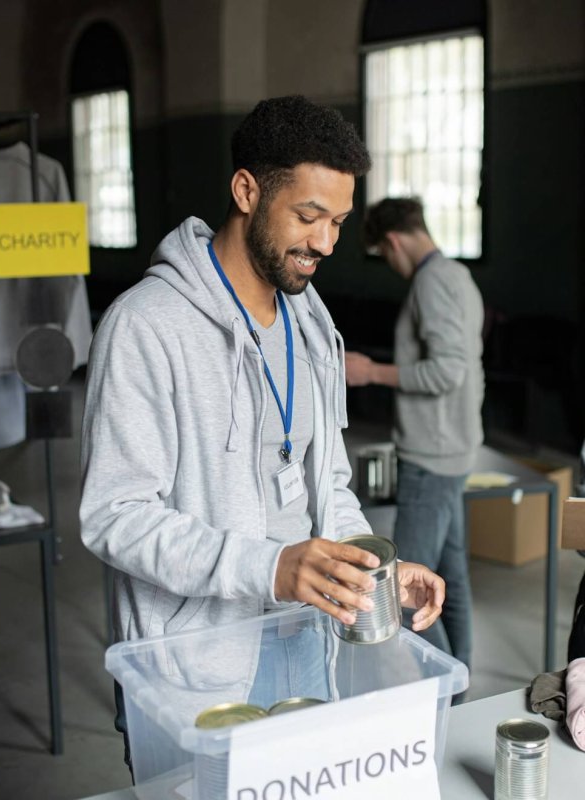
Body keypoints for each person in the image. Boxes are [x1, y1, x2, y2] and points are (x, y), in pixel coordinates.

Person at [80, 98, 446, 766]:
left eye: (337, 222)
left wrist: (373, 571)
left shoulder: (311, 326)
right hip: (195, 664)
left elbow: (327, 483)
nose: (327, 244)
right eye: (308, 217)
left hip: (308, 639)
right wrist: (270, 567)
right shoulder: (145, 327)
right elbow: (115, 515)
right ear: (247, 190)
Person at [345, 197, 484, 669]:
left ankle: (442, 686)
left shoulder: (430, 283)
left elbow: (449, 372)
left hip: (432, 456)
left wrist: (370, 372)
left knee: (407, 591)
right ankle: (460, 686)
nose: (392, 265)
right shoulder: (459, 276)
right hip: (455, 449)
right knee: (452, 578)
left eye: (385, 256)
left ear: (393, 242)